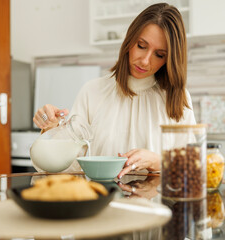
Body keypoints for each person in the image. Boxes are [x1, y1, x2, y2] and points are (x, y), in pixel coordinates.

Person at [33, 3, 196, 179]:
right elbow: (63, 167)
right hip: (102, 203)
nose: (145, 61)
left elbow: (194, 170)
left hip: (157, 205)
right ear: (129, 41)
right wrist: (51, 129)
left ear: (169, 59)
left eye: (159, 55)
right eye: (141, 46)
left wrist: (158, 162)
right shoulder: (93, 91)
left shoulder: (176, 99)